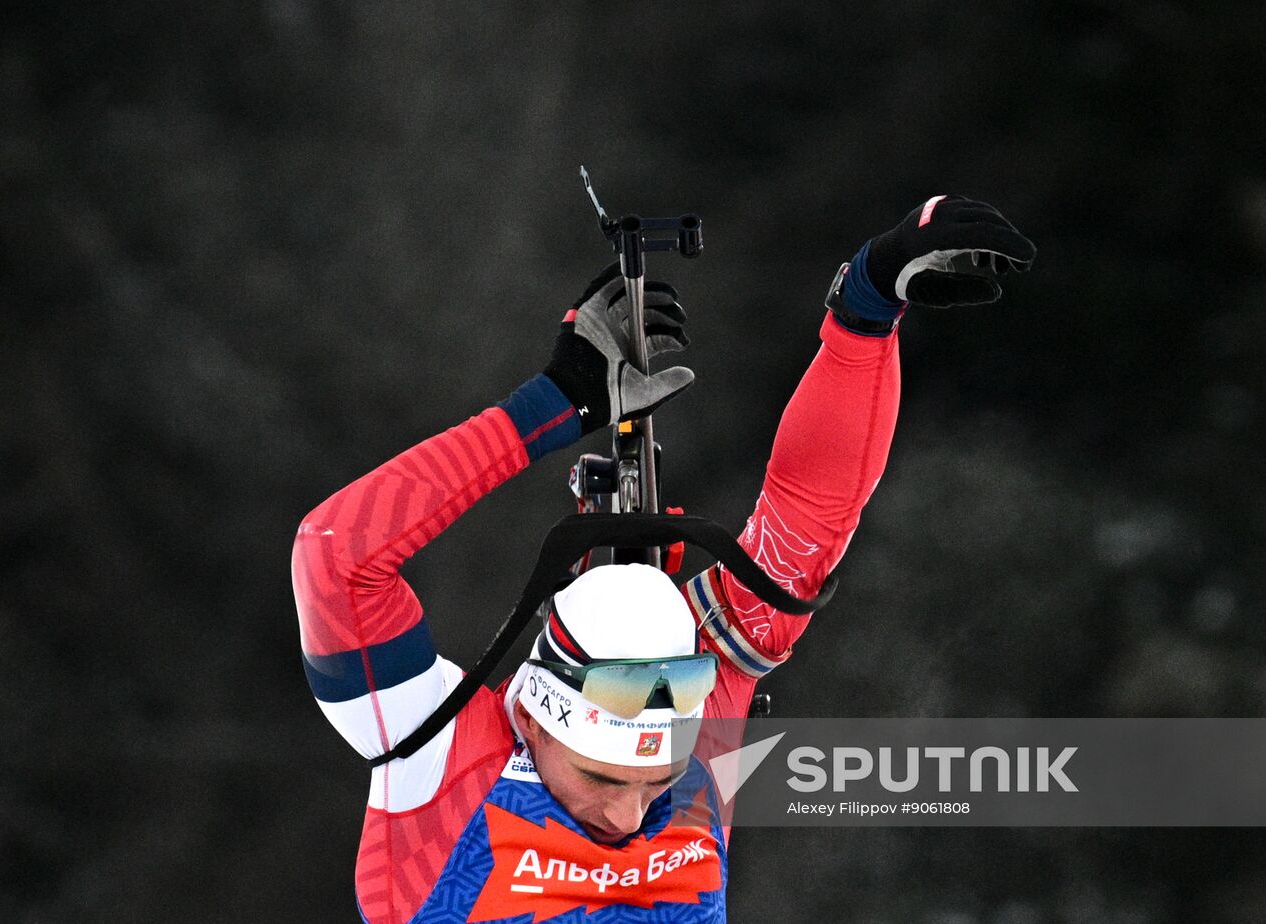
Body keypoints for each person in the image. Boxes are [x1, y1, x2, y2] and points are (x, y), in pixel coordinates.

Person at [291, 195, 1035, 922]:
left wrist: (866, 314)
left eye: (658, 782)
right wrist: (550, 408)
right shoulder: (438, 751)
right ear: (540, 717)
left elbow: (806, 522)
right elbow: (334, 558)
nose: (626, 813)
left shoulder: (691, 702)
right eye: (602, 775)